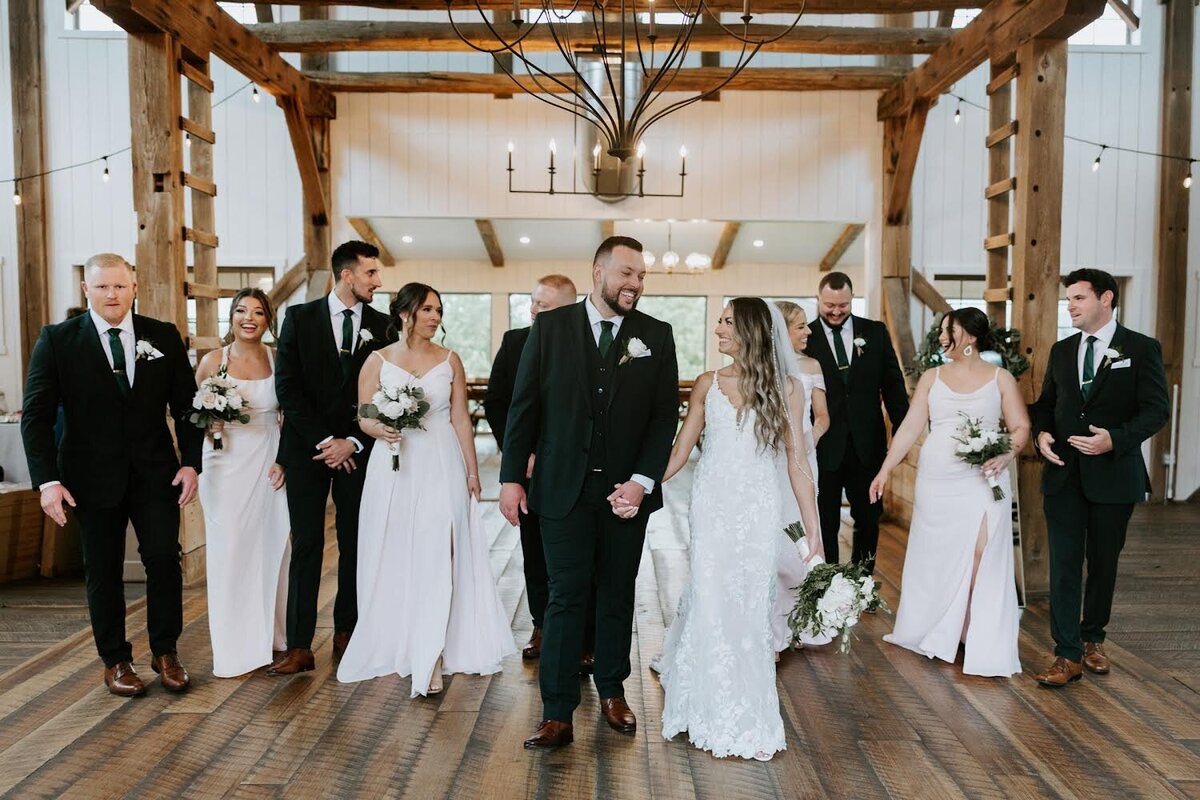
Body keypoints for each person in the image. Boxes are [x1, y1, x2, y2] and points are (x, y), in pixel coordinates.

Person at [499, 236, 679, 750]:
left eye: (641, 276)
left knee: (617, 593)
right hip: (560, 488)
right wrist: (512, 477)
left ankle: (613, 691)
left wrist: (643, 482)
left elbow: (665, 415)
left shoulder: (656, 335)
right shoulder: (551, 329)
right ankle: (557, 710)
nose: (635, 284)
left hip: (626, 493)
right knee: (564, 596)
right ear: (597, 271)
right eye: (626, 273)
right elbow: (524, 406)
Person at [21, 253, 202, 697]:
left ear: (134, 287)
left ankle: (166, 652)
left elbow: (187, 406)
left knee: (163, 558)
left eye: (120, 286)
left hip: (155, 473)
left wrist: (190, 462)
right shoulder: (58, 340)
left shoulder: (162, 336)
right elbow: (36, 416)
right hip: (88, 477)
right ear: (86, 290)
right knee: (102, 569)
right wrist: (47, 482)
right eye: (102, 287)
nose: (112, 295)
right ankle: (116, 660)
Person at [655, 298, 822, 761]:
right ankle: (701, 700)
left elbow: (796, 461)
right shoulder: (708, 384)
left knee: (750, 603)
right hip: (712, 506)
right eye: (720, 321)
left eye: (727, 322)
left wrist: (813, 530)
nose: (718, 329)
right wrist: (641, 485)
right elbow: (681, 448)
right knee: (710, 596)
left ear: (750, 330)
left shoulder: (787, 387)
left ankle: (742, 703)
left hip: (758, 509)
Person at [338, 283, 515, 694]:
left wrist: (473, 474)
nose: (436, 317)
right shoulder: (377, 360)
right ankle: (399, 638)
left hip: (441, 462)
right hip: (394, 465)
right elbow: (362, 415)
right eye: (428, 310)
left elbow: (459, 421)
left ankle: (433, 652)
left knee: (439, 552)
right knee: (398, 551)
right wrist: (378, 428)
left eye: (439, 310)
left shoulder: (450, 360)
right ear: (405, 314)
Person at [869, 307, 1029, 677]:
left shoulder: (1001, 378)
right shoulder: (932, 377)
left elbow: (1021, 426)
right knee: (937, 555)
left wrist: (1005, 455)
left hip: (983, 477)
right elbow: (909, 428)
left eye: (949, 330)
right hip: (938, 479)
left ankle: (975, 631)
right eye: (942, 330)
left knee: (981, 551)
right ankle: (942, 627)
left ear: (970, 337)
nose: (941, 337)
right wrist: (885, 470)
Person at [1031, 269, 1168, 687]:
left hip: (1114, 475)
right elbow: (1045, 404)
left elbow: (1156, 410)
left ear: (1106, 298)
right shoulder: (1061, 350)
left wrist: (1116, 440)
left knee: (1104, 563)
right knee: (1065, 565)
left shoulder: (1142, 349)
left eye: (1078, 298)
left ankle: (1093, 638)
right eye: (1068, 299)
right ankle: (1066, 654)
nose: (1069, 306)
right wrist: (1041, 434)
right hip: (1064, 476)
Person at [271, 241, 395, 675]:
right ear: (347, 275)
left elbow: (388, 393)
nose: (377, 282)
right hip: (308, 452)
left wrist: (353, 442)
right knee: (306, 544)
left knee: (357, 542)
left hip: (361, 452)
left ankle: (349, 632)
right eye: (371, 273)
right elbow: (288, 387)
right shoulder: (299, 318)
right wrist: (327, 440)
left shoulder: (384, 325)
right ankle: (300, 645)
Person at [484, 274, 597, 667]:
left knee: (585, 556)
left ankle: (584, 635)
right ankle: (541, 624)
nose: (533, 310)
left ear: (568, 307)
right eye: (532, 302)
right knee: (534, 549)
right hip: (533, 469)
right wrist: (520, 456)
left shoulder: (592, 341)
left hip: (579, 467)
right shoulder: (515, 342)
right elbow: (498, 403)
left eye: (543, 305)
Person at [195, 288, 290, 678]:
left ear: (268, 320)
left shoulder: (277, 359)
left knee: (271, 546)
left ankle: (271, 637)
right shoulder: (212, 362)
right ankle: (235, 644)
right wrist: (209, 425)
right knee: (231, 548)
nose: (248, 318)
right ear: (230, 317)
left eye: (258, 312)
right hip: (224, 461)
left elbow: (290, 414)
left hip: (269, 458)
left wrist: (285, 460)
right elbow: (194, 415)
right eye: (240, 311)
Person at [803, 271, 909, 570]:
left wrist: (901, 433)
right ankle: (827, 579)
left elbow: (893, 385)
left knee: (868, 515)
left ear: (852, 300)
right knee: (825, 516)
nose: (836, 312)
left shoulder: (874, 332)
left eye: (843, 305)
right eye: (829, 305)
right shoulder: (805, 336)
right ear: (818, 299)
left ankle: (862, 580)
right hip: (823, 444)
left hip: (868, 444)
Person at [774, 300, 831, 652]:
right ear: (781, 330)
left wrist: (808, 438)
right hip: (770, 461)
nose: (809, 331)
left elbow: (822, 415)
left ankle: (802, 617)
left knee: (802, 533)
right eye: (800, 326)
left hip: (804, 457)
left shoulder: (812, 366)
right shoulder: (762, 367)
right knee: (775, 534)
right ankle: (771, 620)